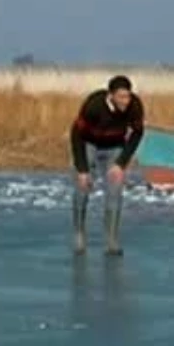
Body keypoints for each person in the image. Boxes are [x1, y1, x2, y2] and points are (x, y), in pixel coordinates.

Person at [70, 74, 145, 256]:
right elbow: (76, 134)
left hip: (114, 148)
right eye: (121, 97)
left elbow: (137, 133)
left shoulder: (134, 106)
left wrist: (121, 164)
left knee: (115, 190)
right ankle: (79, 233)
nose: (125, 101)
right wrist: (82, 170)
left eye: (127, 96)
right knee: (83, 188)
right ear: (110, 95)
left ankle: (112, 240)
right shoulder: (94, 105)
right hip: (90, 145)